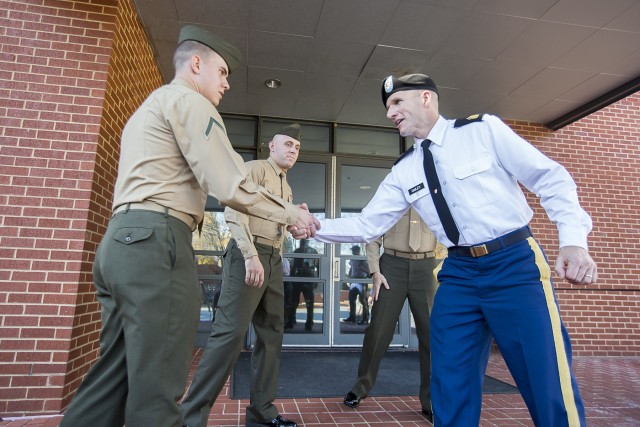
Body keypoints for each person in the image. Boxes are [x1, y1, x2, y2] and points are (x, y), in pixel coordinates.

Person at [298, 73, 597, 426]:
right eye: (387, 106)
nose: (390, 113)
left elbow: (551, 178)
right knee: (450, 381)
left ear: (426, 98)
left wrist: (574, 241)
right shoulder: (403, 171)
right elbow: (367, 225)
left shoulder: (482, 131)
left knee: (545, 375)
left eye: (396, 102)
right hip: (459, 274)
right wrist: (314, 225)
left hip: (514, 263)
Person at [59, 26, 318, 427]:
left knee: (111, 380)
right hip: (156, 242)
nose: (227, 83)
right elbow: (231, 183)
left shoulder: (150, 106)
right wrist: (293, 214)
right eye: (222, 72)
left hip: (121, 242)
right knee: (159, 387)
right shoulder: (191, 103)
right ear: (196, 64)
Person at [180, 123, 304, 427]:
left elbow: (280, 223)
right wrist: (250, 255)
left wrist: (297, 226)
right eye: (287, 144)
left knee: (272, 334)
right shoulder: (255, 169)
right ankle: (189, 418)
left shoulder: (286, 187)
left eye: (297, 147)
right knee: (229, 335)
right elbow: (234, 210)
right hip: (248, 255)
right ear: (271, 147)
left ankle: (262, 412)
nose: (293, 150)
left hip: (272, 259)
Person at [343, 208, 438, 422]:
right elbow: (373, 236)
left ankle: (431, 401)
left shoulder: (434, 198)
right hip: (391, 266)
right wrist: (375, 271)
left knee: (432, 336)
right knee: (378, 330)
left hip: (427, 266)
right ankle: (360, 387)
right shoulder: (393, 199)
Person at [286, 239, 319, 331]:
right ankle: (294, 322)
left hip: (304, 279)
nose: (302, 244)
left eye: (302, 242)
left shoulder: (310, 252)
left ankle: (300, 322)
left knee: (303, 302)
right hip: (302, 279)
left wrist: (291, 279)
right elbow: (294, 266)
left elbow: (293, 266)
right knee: (297, 302)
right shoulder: (312, 251)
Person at [343, 245, 370, 324]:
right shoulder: (352, 258)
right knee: (351, 299)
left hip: (361, 280)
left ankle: (365, 318)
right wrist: (349, 276)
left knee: (363, 300)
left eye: (353, 250)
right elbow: (351, 268)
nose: (352, 252)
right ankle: (352, 317)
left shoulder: (362, 259)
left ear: (357, 251)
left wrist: (360, 267)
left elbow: (368, 271)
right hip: (353, 280)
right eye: (352, 250)